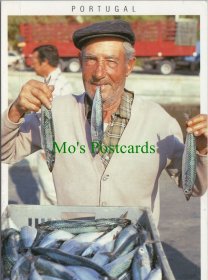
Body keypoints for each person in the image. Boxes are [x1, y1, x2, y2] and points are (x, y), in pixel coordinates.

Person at [1, 20, 207, 226]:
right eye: (91, 60)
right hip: (72, 248)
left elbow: (194, 186)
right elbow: (6, 151)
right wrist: (16, 110)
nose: (99, 73)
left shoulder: (160, 121)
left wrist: (202, 149)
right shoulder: (54, 112)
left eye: (111, 61)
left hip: (134, 249)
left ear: (129, 65)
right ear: (80, 63)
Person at [31, 45, 72, 205]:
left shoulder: (58, 86)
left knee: (53, 193)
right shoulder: (52, 81)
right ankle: (46, 227)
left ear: (45, 61)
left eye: (34, 60)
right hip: (47, 146)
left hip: (51, 149)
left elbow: (63, 121)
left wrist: (49, 148)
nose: (31, 64)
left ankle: (73, 220)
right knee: (46, 194)